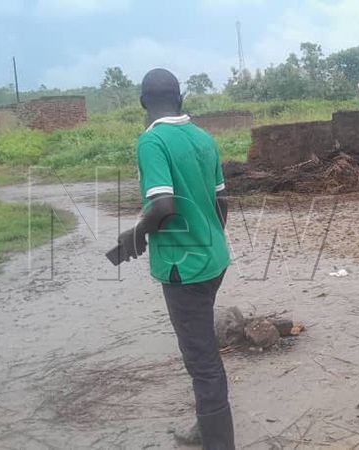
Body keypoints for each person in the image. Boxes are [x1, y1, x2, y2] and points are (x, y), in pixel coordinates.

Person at [114, 68, 234, 449]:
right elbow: (221, 201)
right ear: (181, 99)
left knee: (201, 361)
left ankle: (219, 441)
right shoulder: (203, 137)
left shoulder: (152, 142)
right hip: (213, 260)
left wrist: (134, 234)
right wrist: (210, 237)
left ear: (142, 103)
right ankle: (208, 427)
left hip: (185, 269)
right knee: (204, 350)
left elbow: (163, 205)